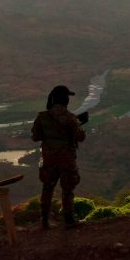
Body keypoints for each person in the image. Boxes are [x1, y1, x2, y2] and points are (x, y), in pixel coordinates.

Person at [31, 85, 86, 228]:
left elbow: (35, 137)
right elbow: (80, 137)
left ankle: (44, 221)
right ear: (65, 99)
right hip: (66, 159)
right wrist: (79, 124)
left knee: (47, 187)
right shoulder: (70, 118)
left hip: (48, 158)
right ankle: (68, 219)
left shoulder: (42, 117)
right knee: (67, 189)